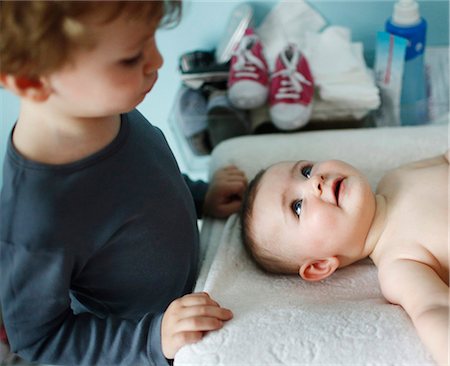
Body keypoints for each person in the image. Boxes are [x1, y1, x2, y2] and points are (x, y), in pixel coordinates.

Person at [0, 2, 247, 365]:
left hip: (192, 295)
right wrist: (152, 339)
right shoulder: (34, 220)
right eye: (131, 58)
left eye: (151, 40)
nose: (158, 61)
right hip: (139, 346)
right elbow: (40, 340)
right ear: (31, 80)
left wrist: (199, 195)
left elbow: (142, 181)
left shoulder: (103, 106)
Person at [240, 152, 449, 366]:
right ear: (320, 265)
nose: (315, 181)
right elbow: (436, 309)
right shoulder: (399, 264)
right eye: (297, 207)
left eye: (306, 171)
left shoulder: (396, 177)